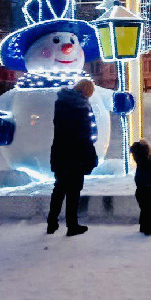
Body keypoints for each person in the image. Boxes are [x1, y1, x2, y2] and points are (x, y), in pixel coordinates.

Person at [47, 79, 98, 236]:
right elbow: (84, 136)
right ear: (86, 92)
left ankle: (52, 222)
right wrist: (91, 156)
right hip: (75, 157)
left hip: (60, 154)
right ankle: (72, 225)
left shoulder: (61, 104)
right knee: (73, 192)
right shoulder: (80, 108)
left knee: (59, 189)